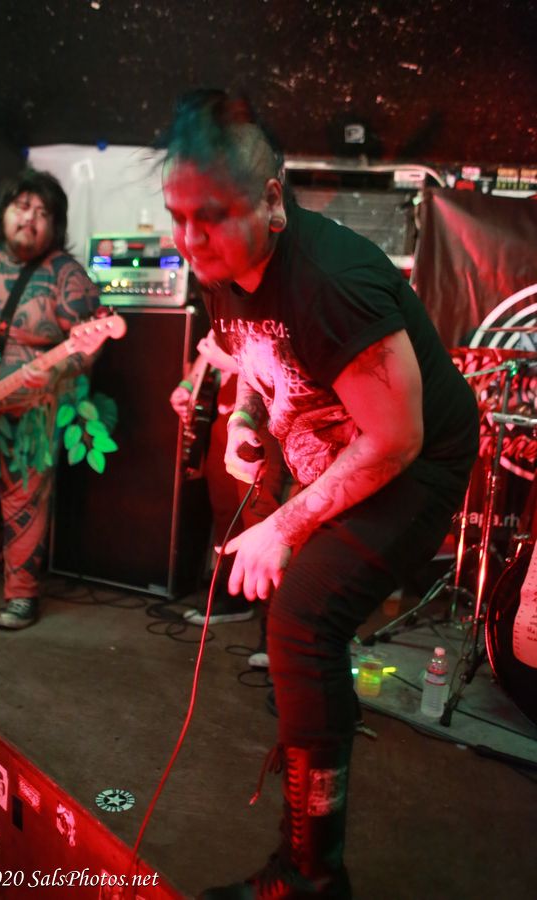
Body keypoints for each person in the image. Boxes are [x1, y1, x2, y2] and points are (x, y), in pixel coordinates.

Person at [160, 90, 479, 897]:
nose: (190, 240)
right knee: (299, 629)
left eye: (210, 216)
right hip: (346, 450)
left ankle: (312, 876)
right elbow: (251, 355)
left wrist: (284, 528)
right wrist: (245, 420)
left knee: (304, 621)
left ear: (272, 201)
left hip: (417, 457)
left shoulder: (332, 282)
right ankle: (309, 858)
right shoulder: (222, 268)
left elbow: (396, 439)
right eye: (177, 217)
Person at [0, 168, 100, 630]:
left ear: (55, 225)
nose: (31, 218)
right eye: (22, 206)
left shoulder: (67, 275)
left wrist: (56, 372)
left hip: (27, 410)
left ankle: (22, 594)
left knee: (24, 498)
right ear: (3, 210)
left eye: (43, 212)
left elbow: (88, 346)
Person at [170, 326, 287, 664]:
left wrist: (232, 365)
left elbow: (284, 363)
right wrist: (188, 385)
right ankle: (234, 597)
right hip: (226, 416)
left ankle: (276, 630)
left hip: (264, 420)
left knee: (261, 517)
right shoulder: (223, 304)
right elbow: (210, 345)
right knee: (225, 510)